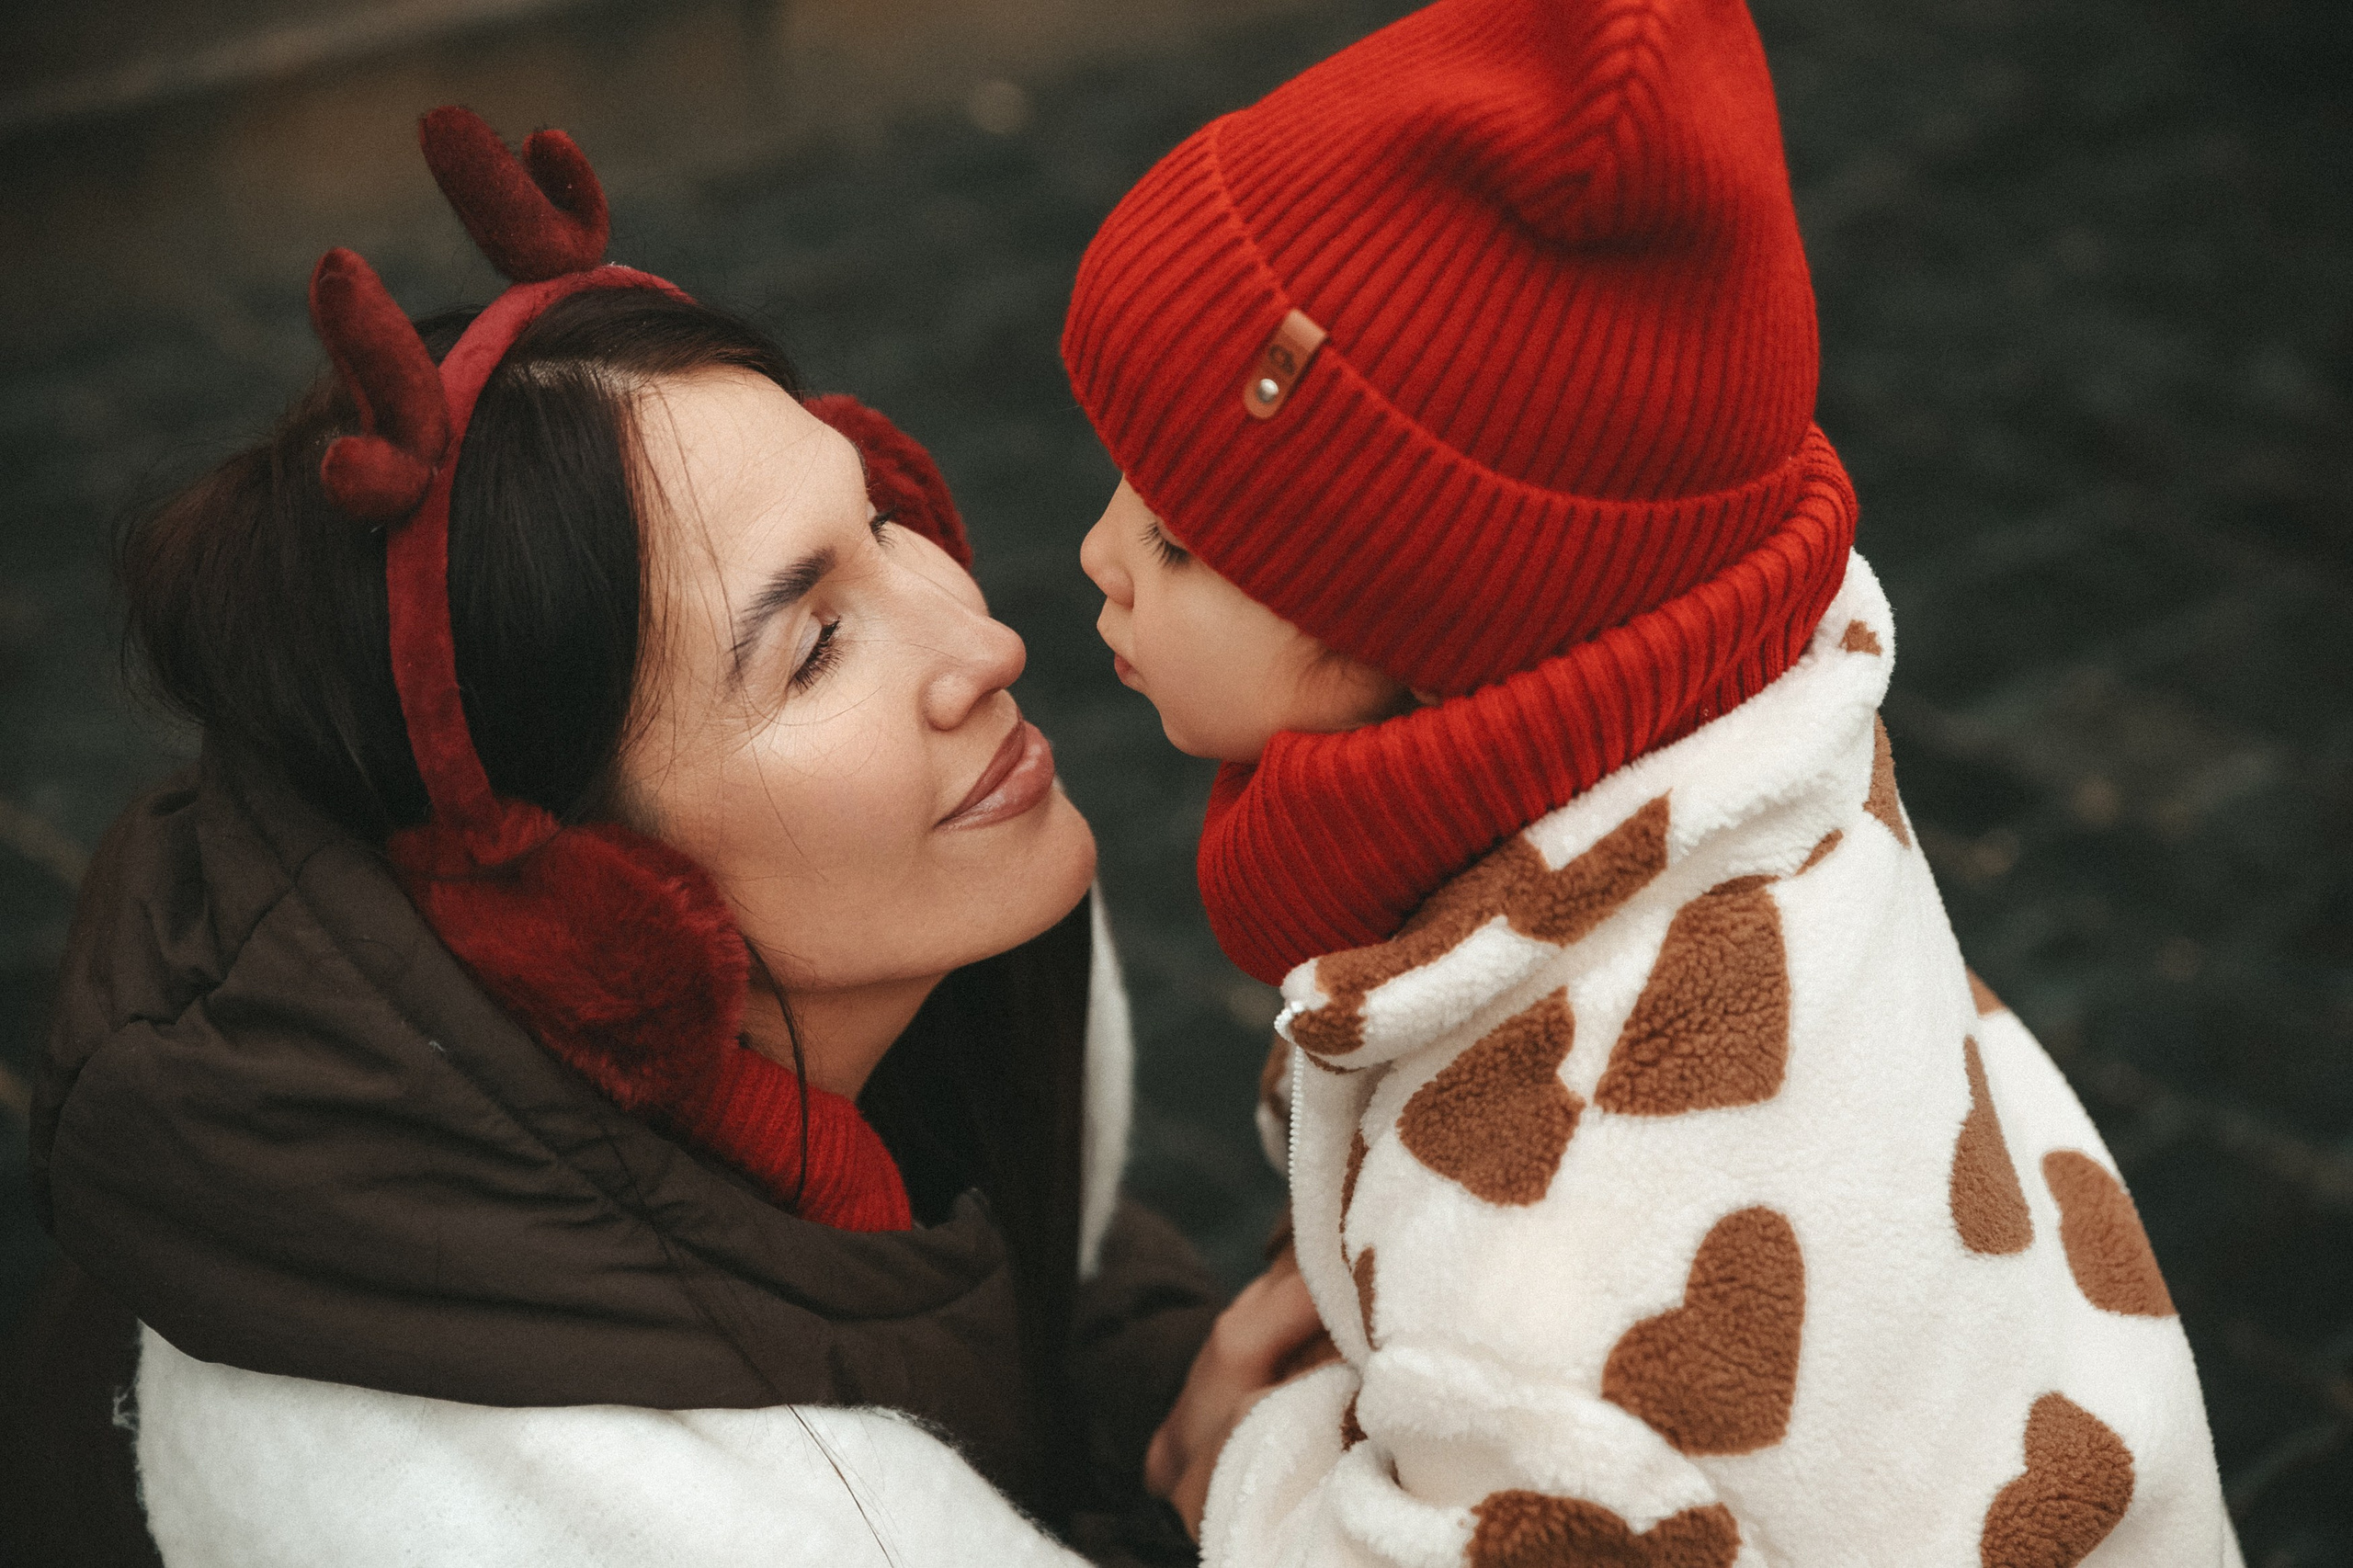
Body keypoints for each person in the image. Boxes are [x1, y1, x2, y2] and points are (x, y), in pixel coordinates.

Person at [1065, 2, 2243, 1563]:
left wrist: (1264, 1476)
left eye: (1182, 542)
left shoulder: (1550, 1259)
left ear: (1428, 627)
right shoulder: (1747, 768)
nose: (1093, 554)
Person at [1, 107, 1218, 1568]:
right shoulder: (517, 1511)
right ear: (585, 904)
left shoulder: (888, 971)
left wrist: (1189, 1375)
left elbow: (1027, 1272)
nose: (990, 638)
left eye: (889, 524)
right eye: (815, 645)